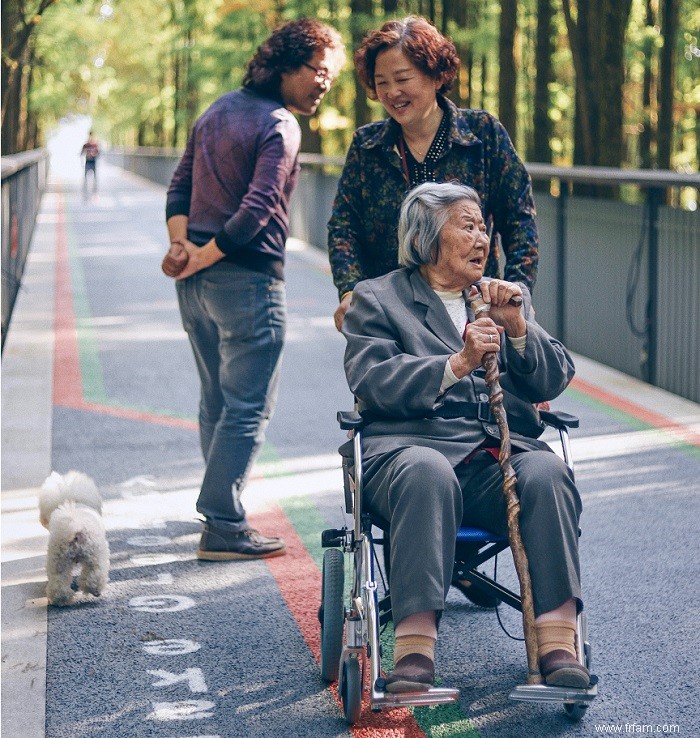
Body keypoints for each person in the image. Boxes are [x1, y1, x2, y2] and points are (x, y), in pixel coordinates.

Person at [342, 181, 589, 693]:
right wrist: (456, 365)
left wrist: (518, 327)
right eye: (468, 226)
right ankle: (413, 652)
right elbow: (372, 380)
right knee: (427, 471)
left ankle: (559, 642)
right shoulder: (378, 298)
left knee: (546, 472)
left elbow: (554, 378)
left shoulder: (499, 297)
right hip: (409, 456)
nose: (482, 238)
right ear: (428, 237)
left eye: (483, 227)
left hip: (494, 462)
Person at [163, 18, 345, 561]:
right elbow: (260, 207)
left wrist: (182, 248)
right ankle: (222, 522)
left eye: (330, 79)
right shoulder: (279, 123)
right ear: (289, 65)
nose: (323, 84)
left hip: (194, 284)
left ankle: (220, 511)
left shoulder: (216, 110)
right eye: (318, 72)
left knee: (216, 400)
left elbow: (179, 187)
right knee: (247, 407)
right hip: (245, 279)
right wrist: (206, 252)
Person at [328, 15, 539, 332]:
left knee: (474, 381)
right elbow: (344, 227)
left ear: (436, 75)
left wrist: (515, 292)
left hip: (472, 314)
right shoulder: (367, 146)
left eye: (402, 79)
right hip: (391, 315)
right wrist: (350, 290)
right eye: (381, 82)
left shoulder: (483, 135)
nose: (391, 92)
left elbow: (519, 220)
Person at [80, 132, 100, 196]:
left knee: (94, 178)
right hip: (87, 162)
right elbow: (81, 153)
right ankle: (85, 192)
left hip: (93, 162)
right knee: (85, 178)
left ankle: (94, 192)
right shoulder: (86, 145)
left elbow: (99, 154)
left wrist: (94, 154)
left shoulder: (95, 145)